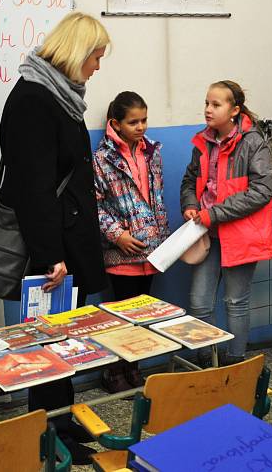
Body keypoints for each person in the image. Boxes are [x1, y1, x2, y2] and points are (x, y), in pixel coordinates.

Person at [0, 11, 110, 465]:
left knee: (62, 345)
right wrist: (50, 257)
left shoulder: (59, 96)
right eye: (97, 57)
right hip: (52, 251)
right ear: (76, 52)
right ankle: (49, 434)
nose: (98, 67)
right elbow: (33, 187)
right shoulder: (33, 99)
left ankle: (61, 425)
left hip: (67, 240)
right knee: (47, 348)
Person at [180, 80, 272, 366]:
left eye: (216, 104)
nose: (208, 110)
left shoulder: (253, 142)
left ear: (234, 110)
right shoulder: (202, 142)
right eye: (207, 103)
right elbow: (189, 181)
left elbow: (261, 191)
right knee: (199, 303)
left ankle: (236, 365)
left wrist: (214, 213)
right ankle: (207, 363)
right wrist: (190, 205)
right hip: (206, 233)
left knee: (236, 303)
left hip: (241, 235)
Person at [93, 91, 169, 392]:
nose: (141, 127)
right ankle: (114, 372)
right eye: (133, 122)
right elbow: (94, 207)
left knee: (142, 316)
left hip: (150, 253)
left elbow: (158, 198)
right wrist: (117, 235)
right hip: (121, 255)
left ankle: (133, 369)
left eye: (144, 120)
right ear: (116, 123)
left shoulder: (152, 153)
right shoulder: (102, 159)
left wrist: (161, 241)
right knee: (120, 318)